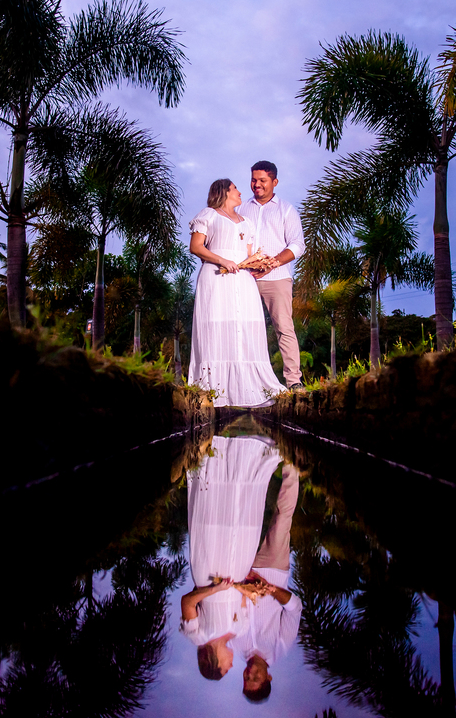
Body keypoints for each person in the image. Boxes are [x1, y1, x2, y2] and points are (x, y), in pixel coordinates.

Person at [180, 434, 285, 680]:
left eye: (225, 671)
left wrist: (213, 591)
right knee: (242, 517)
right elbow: (240, 595)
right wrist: (246, 590)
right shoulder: (240, 630)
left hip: (210, 567)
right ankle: (249, 455)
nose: (231, 668)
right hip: (237, 566)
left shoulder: (198, 637)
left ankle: (214, 455)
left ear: (213, 664)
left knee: (213, 517)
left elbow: (187, 603)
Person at [187, 178, 286, 408]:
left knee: (244, 325)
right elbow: (196, 247)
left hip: (242, 280)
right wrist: (222, 260)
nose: (241, 192)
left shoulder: (247, 223)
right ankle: (213, 388)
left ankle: (250, 387)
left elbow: (248, 254)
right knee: (215, 325)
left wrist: (258, 264)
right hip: (215, 278)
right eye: (235, 189)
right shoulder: (208, 215)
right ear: (224, 192)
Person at [235, 462, 303, 703]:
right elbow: (295, 608)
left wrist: (243, 585)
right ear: (268, 678)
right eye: (255, 678)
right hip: (273, 567)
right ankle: (291, 464)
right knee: (282, 516)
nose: (249, 673)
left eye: (246, 678)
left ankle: (255, 462)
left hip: (242, 568)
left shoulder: (236, 644)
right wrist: (271, 589)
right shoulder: (280, 647)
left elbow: (232, 604)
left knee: (244, 514)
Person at [237, 161, 305, 390]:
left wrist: (272, 264)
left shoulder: (286, 209)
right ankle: (245, 384)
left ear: (274, 182)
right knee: (243, 329)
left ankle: (294, 381)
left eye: (262, 180)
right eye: (253, 180)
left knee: (284, 329)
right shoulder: (241, 209)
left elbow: (298, 245)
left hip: (278, 279)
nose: (256, 185)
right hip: (245, 279)